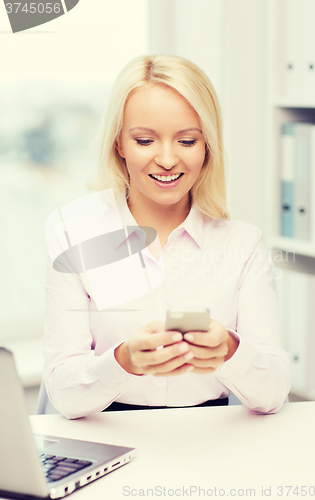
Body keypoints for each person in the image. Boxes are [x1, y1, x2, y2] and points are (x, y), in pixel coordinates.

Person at [43, 54, 290, 419]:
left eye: (187, 141)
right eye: (145, 140)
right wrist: (123, 361)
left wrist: (231, 351)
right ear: (119, 144)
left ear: (207, 147)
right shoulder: (73, 233)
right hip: (107, 436)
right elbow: (63, 394)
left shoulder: (242, 243)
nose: (168, 159)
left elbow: (272, 395)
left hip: (210, 442)